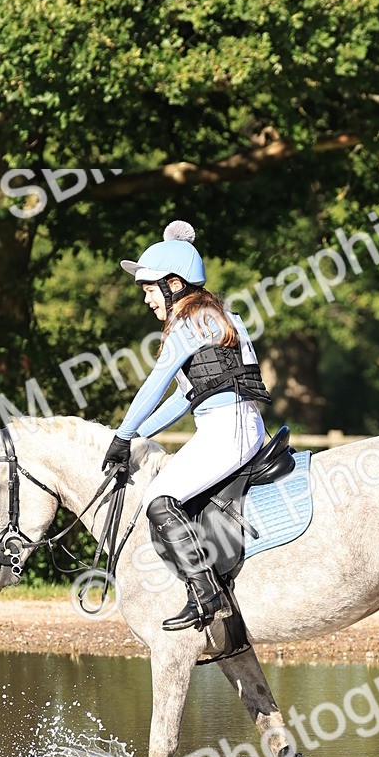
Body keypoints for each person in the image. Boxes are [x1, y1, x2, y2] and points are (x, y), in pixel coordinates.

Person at [101, 220, 271, 632]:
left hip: (225, 430)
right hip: (243, 425)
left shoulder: (188, 325)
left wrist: (122, 436)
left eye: (148, 289)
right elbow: (183, 397)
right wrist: (139, 435)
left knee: (159, 497)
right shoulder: (223, 316)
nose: (146, 299)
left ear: (173, 284)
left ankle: (207, 593)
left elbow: (153, 386)